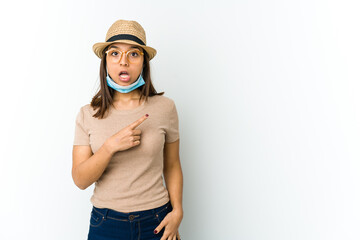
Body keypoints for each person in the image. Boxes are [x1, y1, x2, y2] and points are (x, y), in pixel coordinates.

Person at [72, 19, 183, 240]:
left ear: (144, 62)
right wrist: (109, 147)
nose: (124, 62)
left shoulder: (165, 108)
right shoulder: (88, 114)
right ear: (105, 61)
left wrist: (177, 211)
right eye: (114, 53)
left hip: (157, 221)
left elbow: (172, 165)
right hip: (106, 224)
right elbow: (80, 180)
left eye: (133, 54)